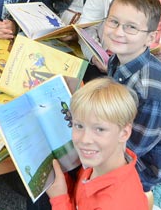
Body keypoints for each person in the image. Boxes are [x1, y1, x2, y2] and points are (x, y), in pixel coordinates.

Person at [99, 0, 161, 208]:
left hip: (144, 169)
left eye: (131, 27)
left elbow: (131, 152)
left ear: (150, 37)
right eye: (113, 22)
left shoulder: (151, 93)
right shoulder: (121, 59)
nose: (118, 32)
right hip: (123, 135)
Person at [46, 77, 148, 210]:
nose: (84, 139)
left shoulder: (115, 204)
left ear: (124, 133)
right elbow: (81, 197)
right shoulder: (98, 162)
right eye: (79, 126)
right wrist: (62, 181)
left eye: (100, 129)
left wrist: (59, 198)